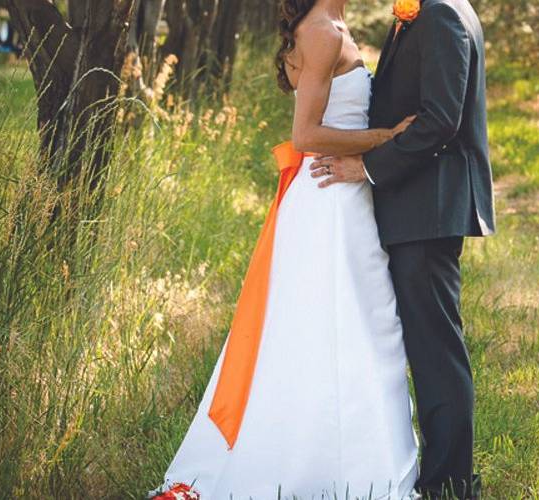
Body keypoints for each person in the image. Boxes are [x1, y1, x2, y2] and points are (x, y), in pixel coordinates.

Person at [149, 0, 422, 498]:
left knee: (356, 324)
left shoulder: (333, 26)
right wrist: (384, 139)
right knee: (339, 325)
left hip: (344, 197)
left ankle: (351, 457)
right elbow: (306, 135)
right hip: (328, 203)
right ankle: (327, 466)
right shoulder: (321, 31)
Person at [310, 0, 495, 497]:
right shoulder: (426, 11)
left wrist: (367, 167)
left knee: (436, 352)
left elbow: (440, 121)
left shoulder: (441, 14)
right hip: (415, 209)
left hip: (428, 211)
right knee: (427, 346)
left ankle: (451, 485)